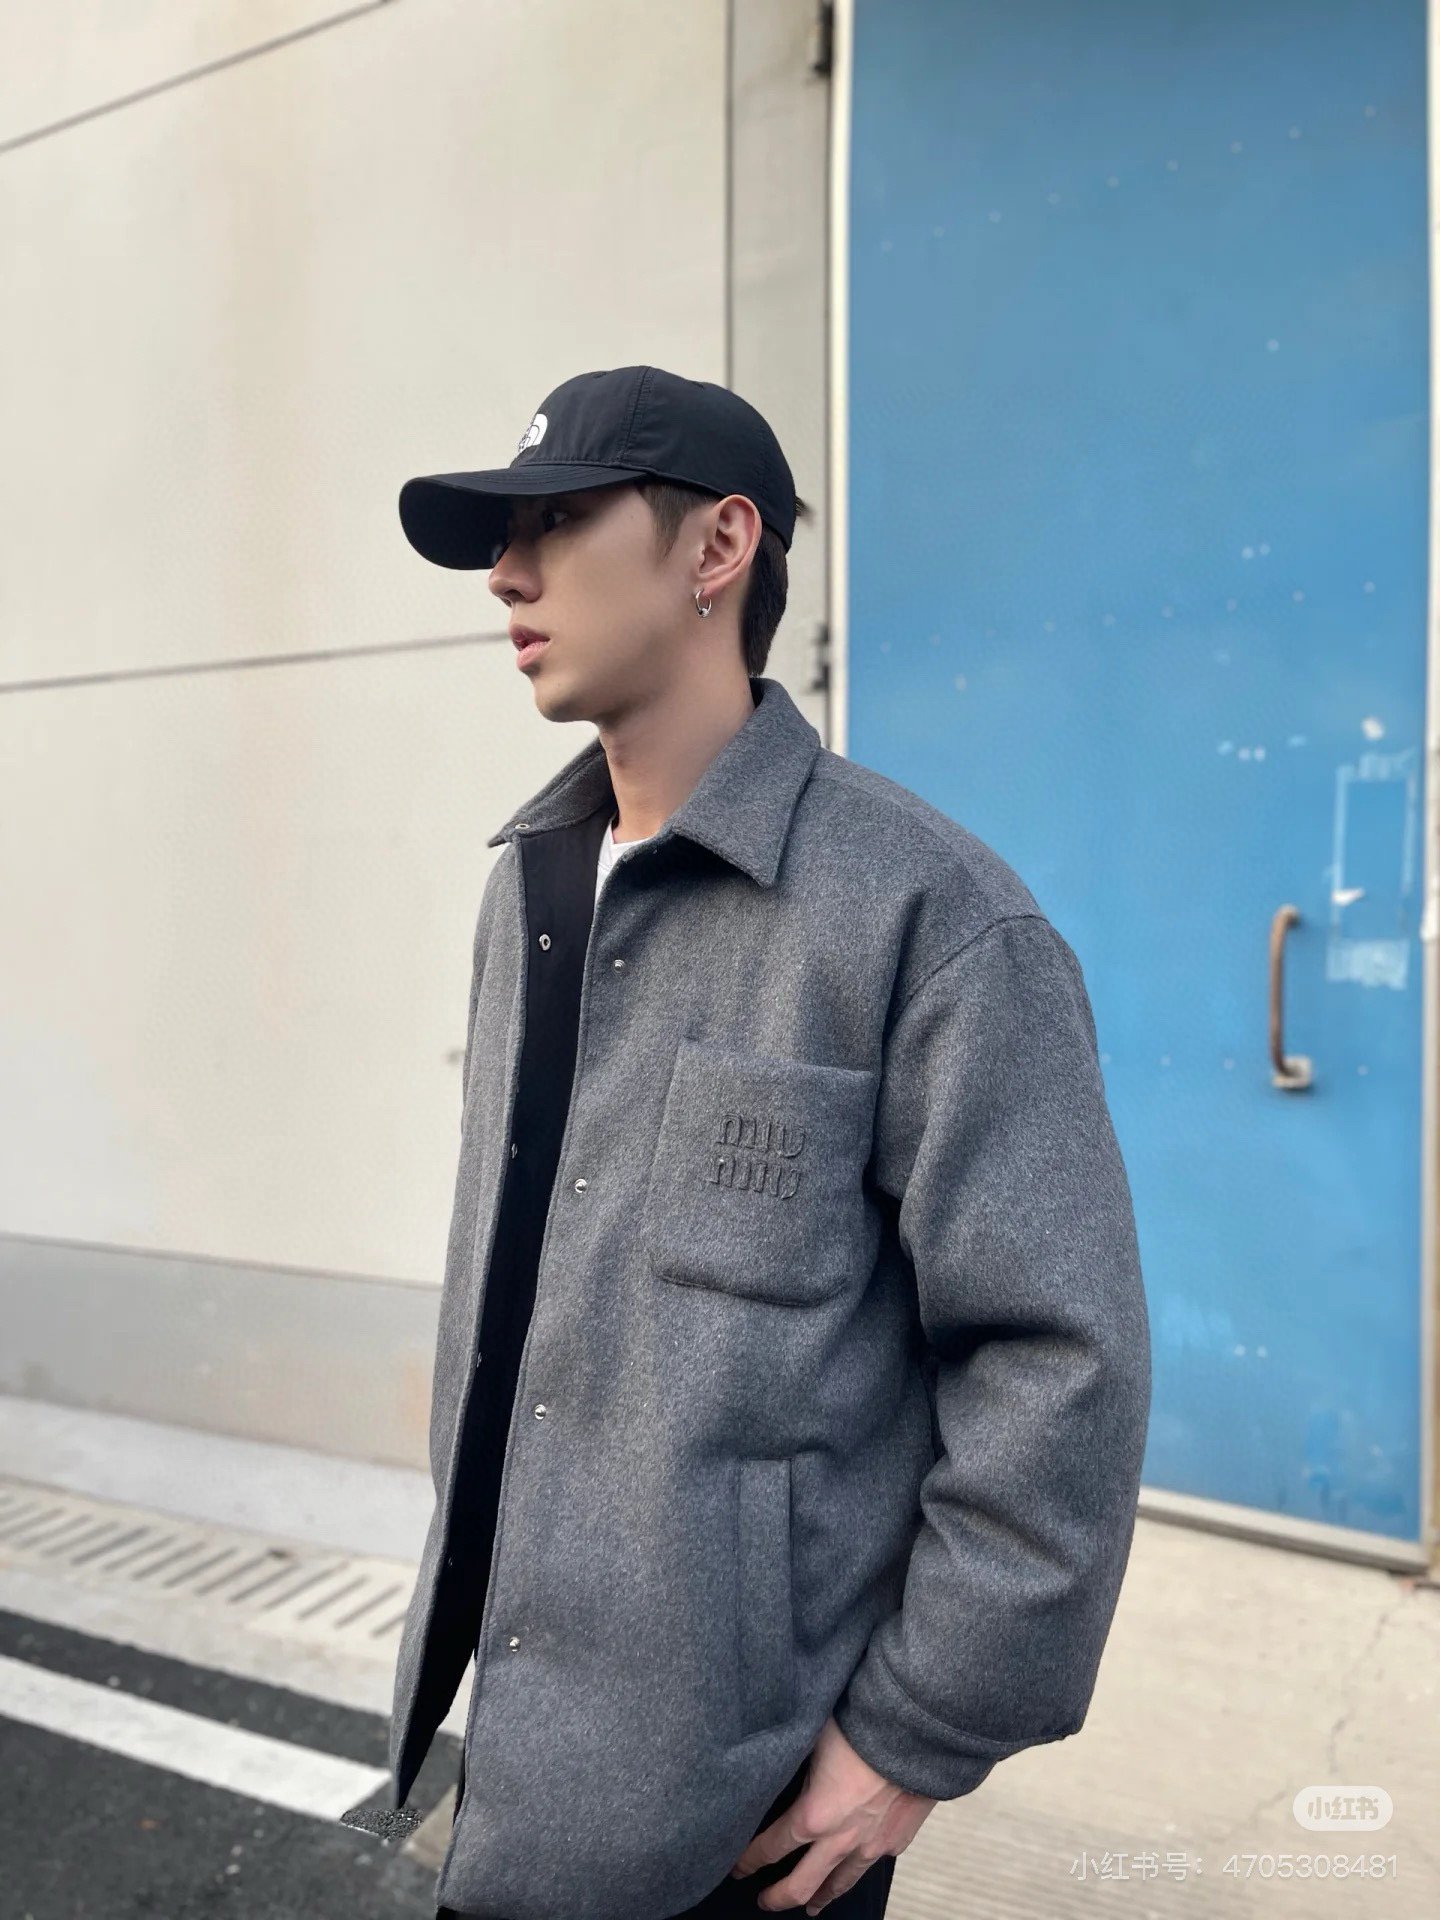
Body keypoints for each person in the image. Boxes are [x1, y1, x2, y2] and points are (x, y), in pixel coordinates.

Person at [392, 365, 1152, 1920]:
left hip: (745, 1810)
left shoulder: (928, 917)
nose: (507, 574)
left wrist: (920, 1733)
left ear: (718, 546)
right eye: (501, 537)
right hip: (508, 1747)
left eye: (556, 522)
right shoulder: (528, 887)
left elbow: (1057, 1359)